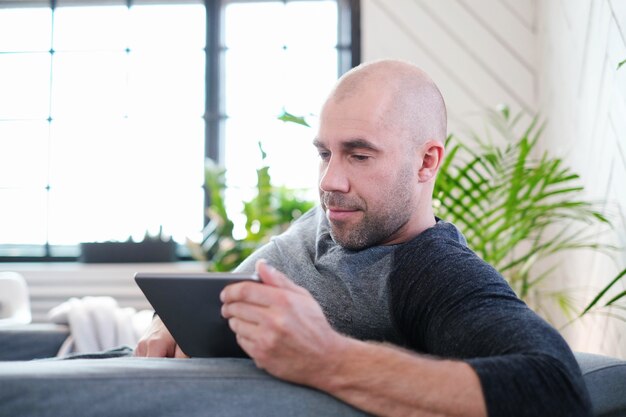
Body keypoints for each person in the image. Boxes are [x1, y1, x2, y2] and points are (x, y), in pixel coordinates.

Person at [135, 59, 592, 417]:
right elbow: (221, 293)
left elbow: (556, 388)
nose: (330, 180)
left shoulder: (432, 272)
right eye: (324, 154)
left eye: (358, 155)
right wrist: (166, 322)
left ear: (427, 162)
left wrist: (324, 358)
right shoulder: (332, 216)